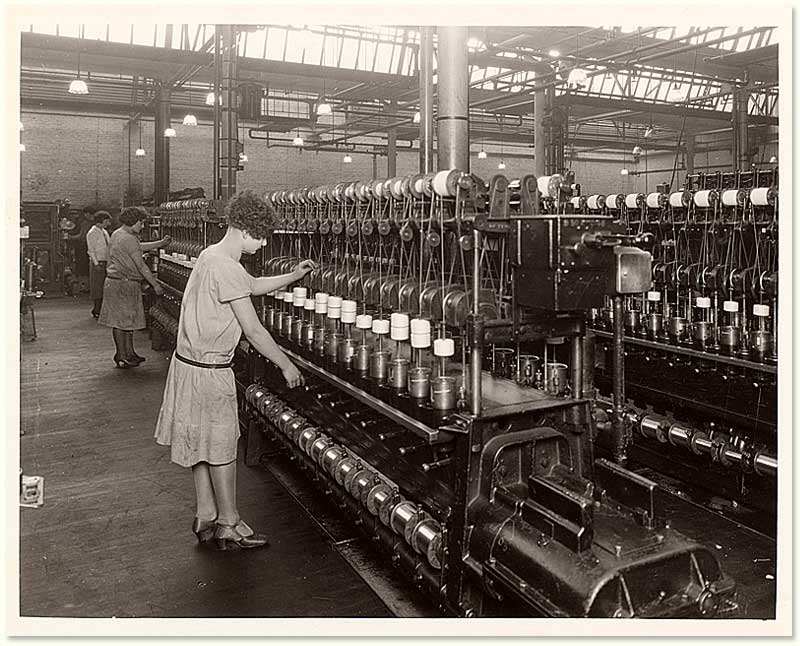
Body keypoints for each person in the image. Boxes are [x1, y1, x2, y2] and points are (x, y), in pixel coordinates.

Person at [154, 189, 316, 551]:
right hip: (210, 372)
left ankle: (205, 514)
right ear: (245, 230)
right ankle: (228, 522)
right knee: (223, 446)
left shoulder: (212, 257)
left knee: (200, 442)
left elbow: (251, 286)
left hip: (188, 367)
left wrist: (291, 276)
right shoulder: (226, 265)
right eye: (262, 238)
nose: (263, 246)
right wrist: (287, 365)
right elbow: (254, 329)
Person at [98, 206, 170, 368]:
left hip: (117, 282)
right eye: (141, 223)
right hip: (123, 283)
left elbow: (138, 247)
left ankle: (129, 353)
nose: (142, 226)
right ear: (133, 221)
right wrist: (155, 284)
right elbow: (142, 266)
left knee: (126, 321)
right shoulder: (128, 238)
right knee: (121, 322)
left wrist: (162, 243)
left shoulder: (119, 234)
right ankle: (121, 356)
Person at [86, 210, 112, 319]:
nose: (108, 223)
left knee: (105, 287)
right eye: (106, 221)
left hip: (106, 262)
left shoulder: (104, 232)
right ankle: (97, 310)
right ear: (100, 221)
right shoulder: (92, 233)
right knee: (97, 287)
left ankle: (104, 309)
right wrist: (96, 264)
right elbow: (91, 250)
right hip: (98, 262)